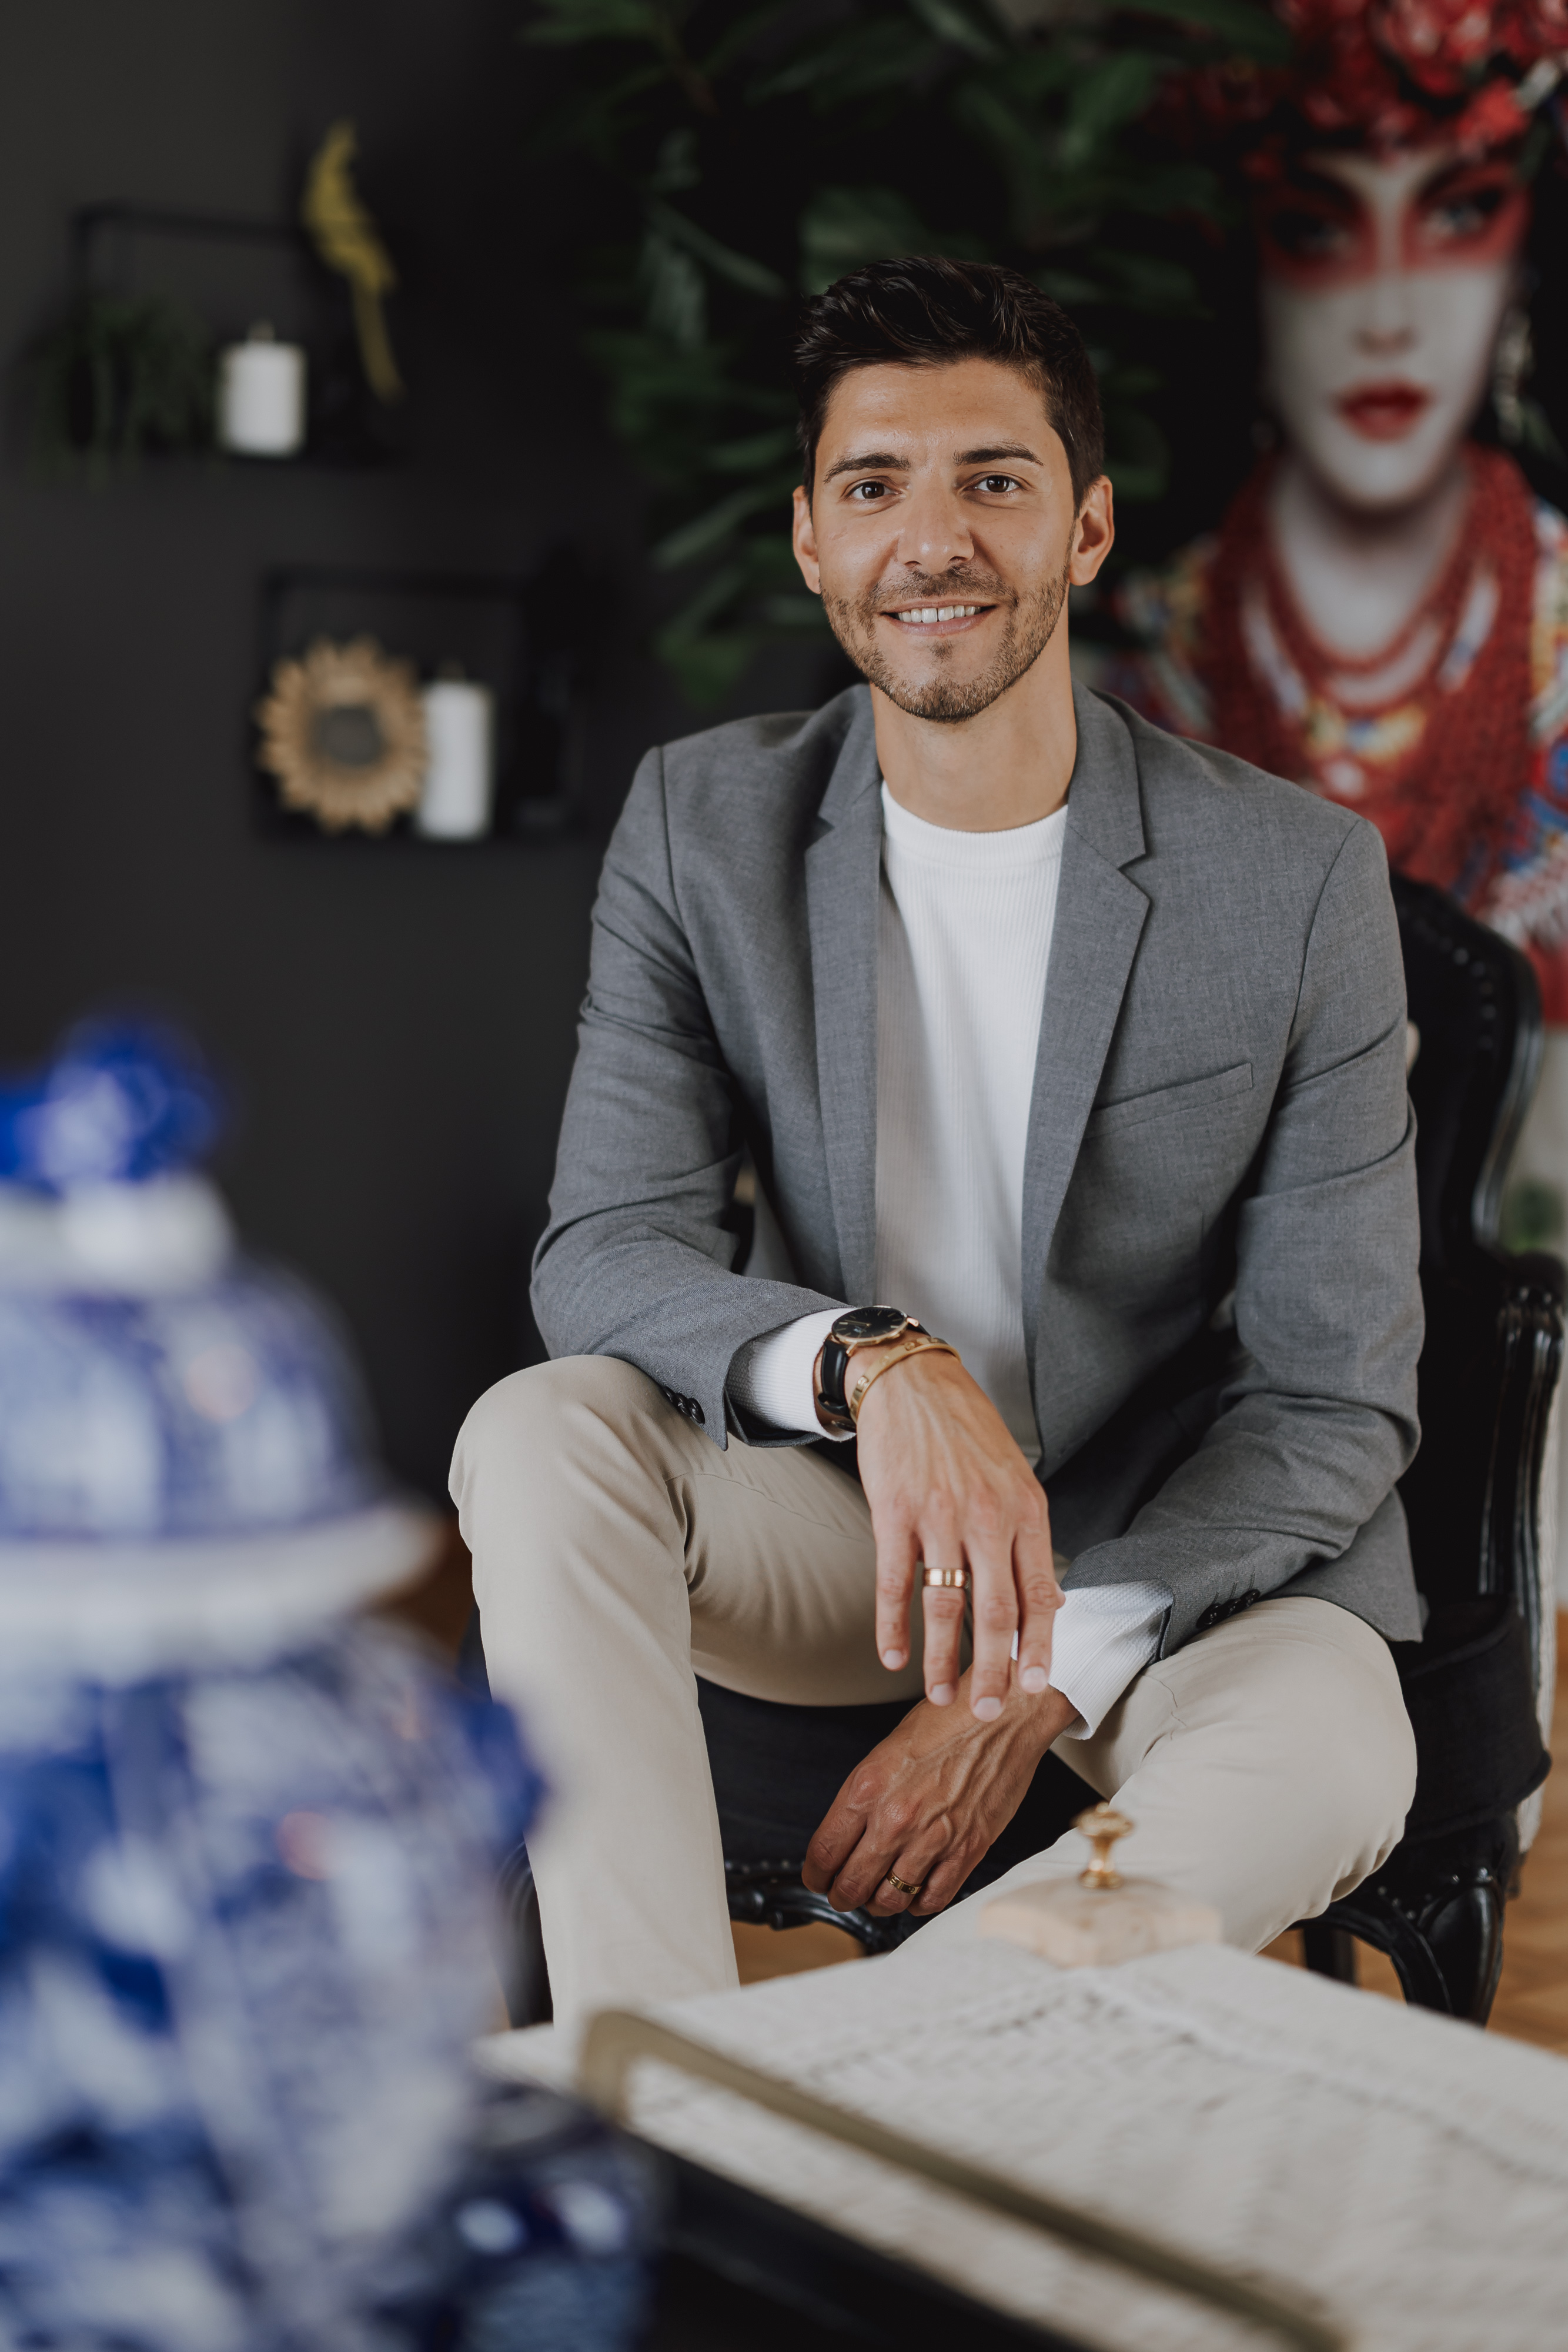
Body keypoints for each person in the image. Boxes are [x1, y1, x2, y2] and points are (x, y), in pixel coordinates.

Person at [452, 256, 1421, 2026]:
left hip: (1176, 1556)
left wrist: (1032, 1678)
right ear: (812, 540)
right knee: (540, 1433)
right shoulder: (701, 827)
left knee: (1337, 1751)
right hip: (853, 1540)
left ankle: (877, 2069)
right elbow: (603, 1248)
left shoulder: (1292, 883)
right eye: (873, 485)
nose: (933, 538)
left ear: (1087, 528)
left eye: (995, 479)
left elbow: (1328, 1396)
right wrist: (874, 1369)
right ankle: (654, 2075)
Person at [1106, 0, 1568, 1240]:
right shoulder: (1117, 661)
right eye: (1315, 228)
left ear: (1523, 258)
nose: (1383, 310)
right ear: (1239, 258)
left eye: (1457, 211)